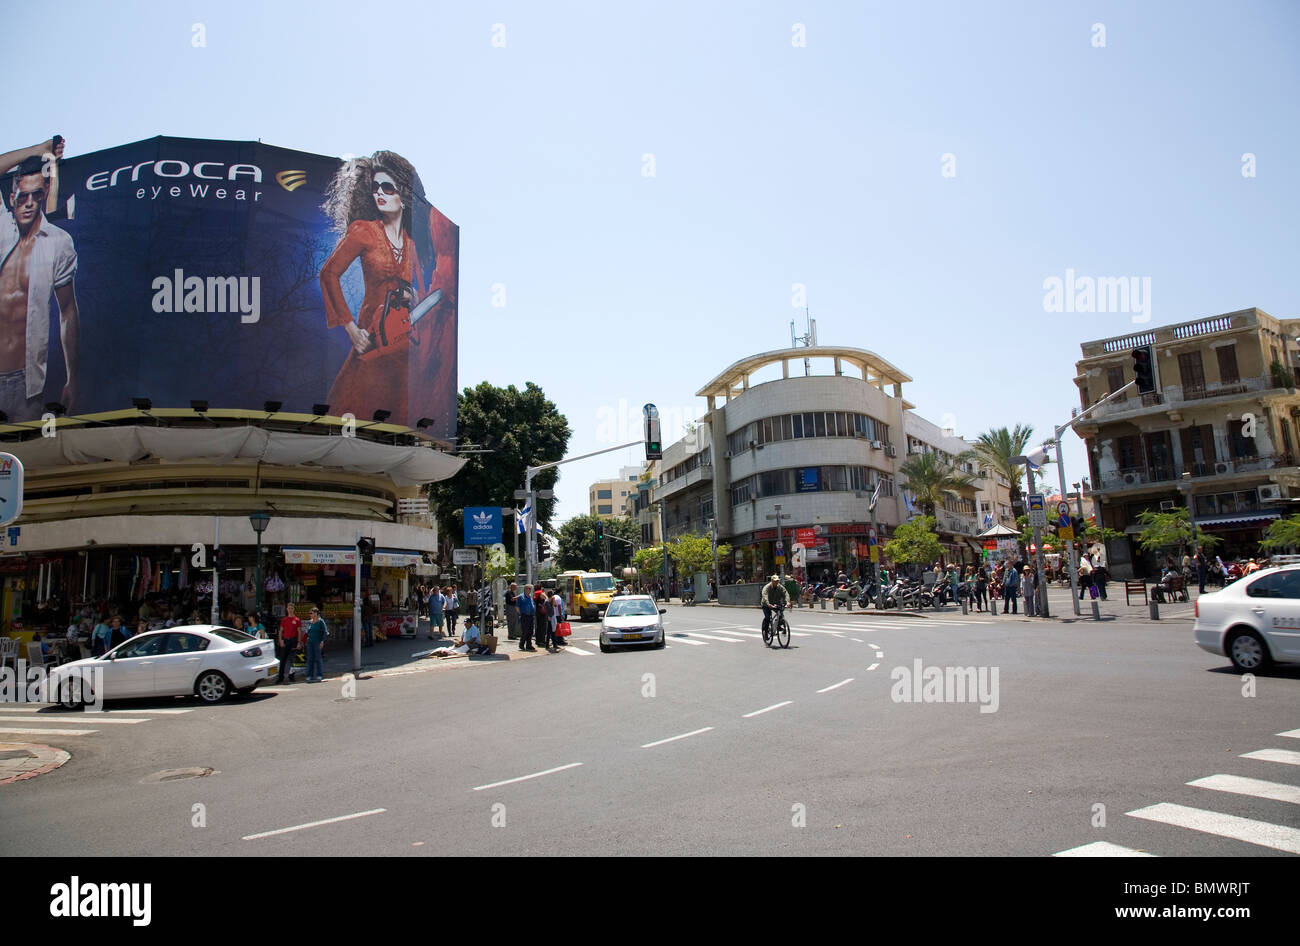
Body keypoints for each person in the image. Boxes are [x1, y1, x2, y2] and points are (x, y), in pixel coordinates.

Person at [318, 151, 427, 422]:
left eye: (387, 187)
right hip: (370, 340)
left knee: (399, 417)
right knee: (354, 407)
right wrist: (351, 329)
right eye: (375, 187)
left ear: (403, 194)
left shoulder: (412, 243)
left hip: (401, 342)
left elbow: (420, 293)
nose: (379, 193)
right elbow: (328, 274)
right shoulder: (364, 231)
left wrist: (412, 295)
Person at [1, 146, 80, 424]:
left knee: (25, 462)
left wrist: (72, 378)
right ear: (12, 198)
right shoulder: (1, 228)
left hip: (25, 383)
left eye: (36, 195)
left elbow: (68, 310)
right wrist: (40, 150)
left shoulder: (58, 242)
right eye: (23, 196)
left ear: (44, 195)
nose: (29, 203)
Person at [277, 602, 302, 684]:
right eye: (289, 608)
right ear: (287, 609)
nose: (290, 610)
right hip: (285, 640)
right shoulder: (284, 620)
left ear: (293, 609)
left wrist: (299, 642)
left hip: (293, 641)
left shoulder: (297, 620)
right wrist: (280, 640)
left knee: (293, 660)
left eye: (292, 608)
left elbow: (299, 632)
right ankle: (280, 677)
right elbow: (281, 630)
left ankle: (291, 676)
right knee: (283, 660)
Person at [304, 606, 327, 683]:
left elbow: (325, 632)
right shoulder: (310, 622)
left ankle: (319, 674)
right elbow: (307, 632)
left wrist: (322, 641)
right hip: (310, 642)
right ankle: (309, 675)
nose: (310, 614)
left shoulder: (321, 622)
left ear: (316, 614)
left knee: (318, 658)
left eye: (312, 613)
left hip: (317, 642)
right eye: (310, 613)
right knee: (310, 658)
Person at [517, 584, 536, 652]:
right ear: (525, 589)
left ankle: (529, 645)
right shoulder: (521, 597)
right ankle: (521, 644)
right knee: (525, 631)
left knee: (530, 631)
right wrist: (520, 614)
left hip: (531, 615)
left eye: (530, 589)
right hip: (524, 616)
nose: (530, 590)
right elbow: (517, 607)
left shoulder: (530, 596)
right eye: (528, 589)